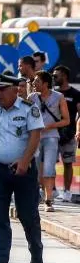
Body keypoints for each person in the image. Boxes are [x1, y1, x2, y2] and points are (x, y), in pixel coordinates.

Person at [0, 74, 45, 263]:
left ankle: (36, 251)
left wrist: (25, 161)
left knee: (27, 215)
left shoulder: (29, 109)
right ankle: (1, 260)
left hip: (23, 170)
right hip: (0, 169)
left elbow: (35, 135)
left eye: (2, 89)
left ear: (15, 90)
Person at [28, 70, 70, 212]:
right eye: (33, 81)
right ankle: (37, 195)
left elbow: (66, 120)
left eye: (37, 81)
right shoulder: (31, 97)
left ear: (45, 83)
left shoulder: (59, 97)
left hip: (52, 136)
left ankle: (48, 200)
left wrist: (50, 126)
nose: (34, 84)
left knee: (49, 168)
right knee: (36, 170)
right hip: (35, 137)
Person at [52, 65, 80, 202]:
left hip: (68, 134)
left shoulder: (75, 94)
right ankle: (51, 190)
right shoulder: (52, 93)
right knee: (50, 162)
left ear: (65, 76)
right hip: (52, 133)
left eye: (56, 75)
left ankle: (67, 192)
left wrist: (77, 130)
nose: (54, 78)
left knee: (68, 163)